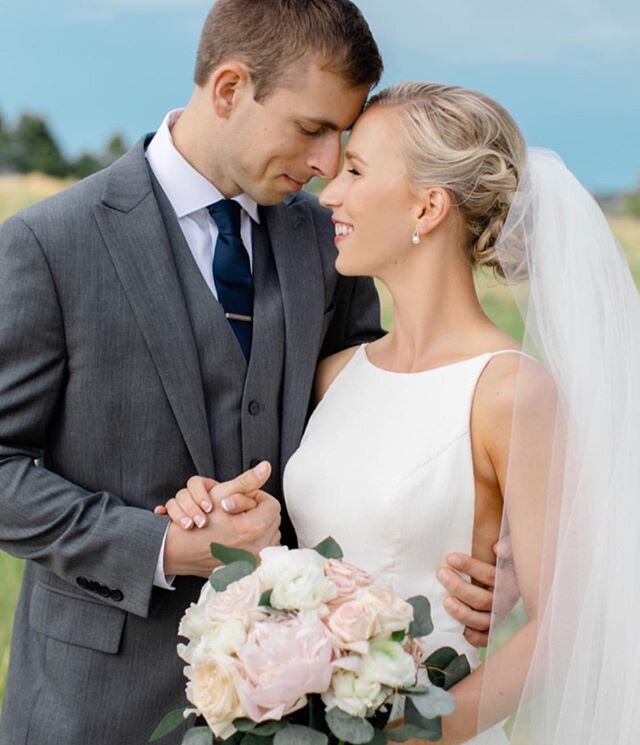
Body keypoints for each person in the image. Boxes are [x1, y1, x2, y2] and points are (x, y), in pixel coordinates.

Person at [165, 81, 640, 743]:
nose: (329, 190)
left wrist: (418, 735)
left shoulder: (508, 391)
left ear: (428, 206)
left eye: (357, 170)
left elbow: (566, 620)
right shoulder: (335, 375)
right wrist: (220, 507)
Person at [0, 2, 387, 744]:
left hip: (297, 705)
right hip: (94, 708)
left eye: (344, 135)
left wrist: (480, 533)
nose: (328, 164)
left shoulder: (324, 241)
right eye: (312, 128)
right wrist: (159, 548)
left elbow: (375, 413)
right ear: (230, 88)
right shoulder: (48, 245)